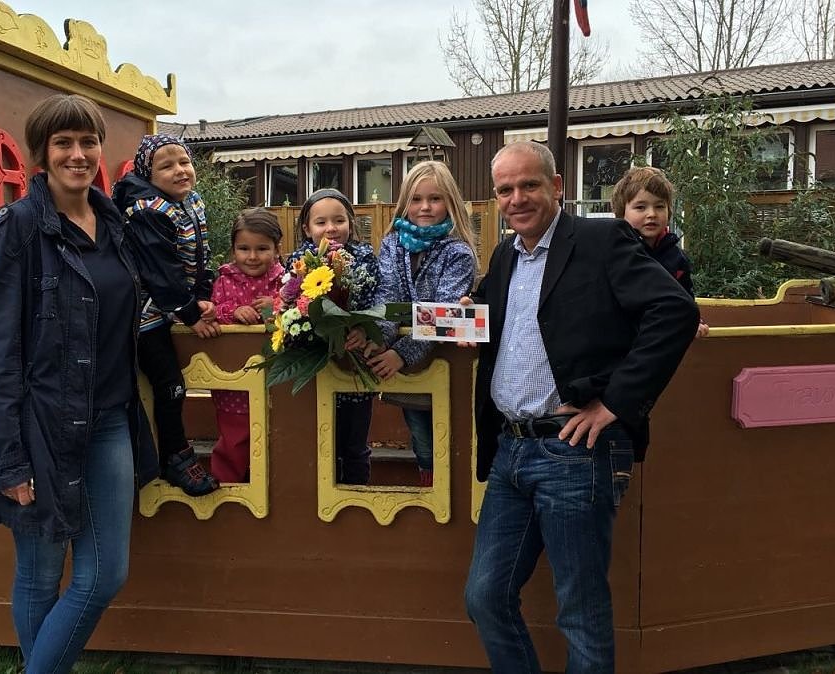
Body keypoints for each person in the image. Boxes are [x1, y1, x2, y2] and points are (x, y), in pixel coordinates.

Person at [462, 141, 698, 673]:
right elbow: (507, 325)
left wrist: (617, 403)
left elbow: (675, 311)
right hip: (510, 450)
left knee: (581, 611)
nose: (517, 198)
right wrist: (468, 315)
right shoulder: (504, 255)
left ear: (557, 187)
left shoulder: (601, 239)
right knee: (485, 596)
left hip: (575, 451)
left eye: (529, 185)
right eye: (505, 190)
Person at [0, 93, 159, 673]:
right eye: (63, 143)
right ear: (41, 155)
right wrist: (9, 460)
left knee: (104, 574)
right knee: (41, 572)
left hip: (111, 420)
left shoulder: (115, 223)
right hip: (39, 426)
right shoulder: (16, 230)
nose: (78, 154)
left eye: (88, 142)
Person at [112, 134, 220, 496]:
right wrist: (191, 314)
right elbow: (161, 272)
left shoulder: (190, 201)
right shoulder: (148, 211)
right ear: (148, 173)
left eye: (184, 162)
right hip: (143, 314)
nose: (180, 171)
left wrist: (202, 295)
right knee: (170, 384)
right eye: (167, 166)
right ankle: (174, 455)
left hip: (170, 304)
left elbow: (202, 254)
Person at [366, 161, 477, 487]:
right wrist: (379, 339)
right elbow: (387, 298)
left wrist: (401, 353)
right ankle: (430, 492)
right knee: (422, 442)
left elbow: (444, 312)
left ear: (450, 202)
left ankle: (452, 501)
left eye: (435, 199)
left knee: (452, 439)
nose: (425, 207)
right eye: (416, 199)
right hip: (408, 371)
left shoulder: (458, 253)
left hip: (443, 362)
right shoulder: (392, 244)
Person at [287, 188, 379, 484]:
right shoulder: (299, 262)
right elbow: (292, 305)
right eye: (321, 222)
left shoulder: (364, 258)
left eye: (339, 220)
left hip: (355, 367)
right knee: (319, 443)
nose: (331, 228)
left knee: (355, 445)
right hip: (317, 367)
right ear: (306, 228)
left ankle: (356, 499)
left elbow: (375, 303)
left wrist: (363, 329)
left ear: (350, 223)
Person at [209, 208, 284, 482]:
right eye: (244, 249)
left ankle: (277, 496)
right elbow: (213, 310)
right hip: (234, 383)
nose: (252, 256)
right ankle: (228, 492)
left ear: (277, 249)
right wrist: (233, 312)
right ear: (233, 250)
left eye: (262, 249)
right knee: (234, 442)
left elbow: (300, 309)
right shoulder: (224, 280)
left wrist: (277, 305)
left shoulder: (286, 280)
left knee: (279, 443)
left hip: (277, 383)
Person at [611, 165, 709, 337]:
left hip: (662, 335)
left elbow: (685, 298)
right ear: (621, 213)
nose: (652, 214)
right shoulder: (615, 253)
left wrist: (692, 322)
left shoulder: (676, 258)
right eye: (640, 207)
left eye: (659, 206)